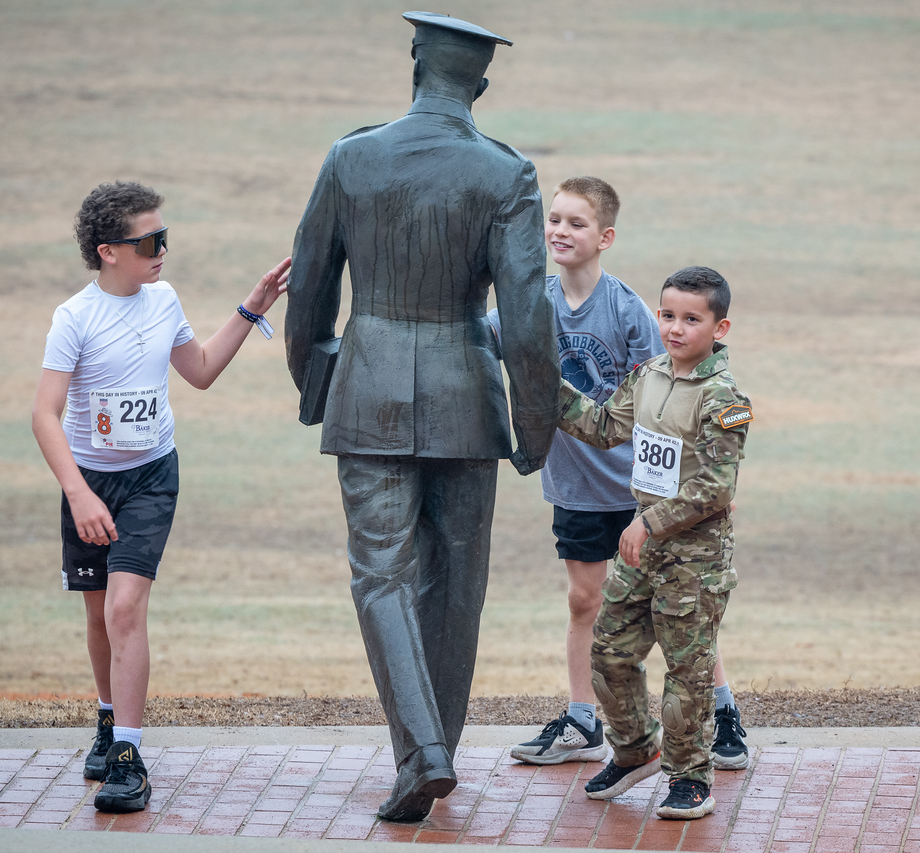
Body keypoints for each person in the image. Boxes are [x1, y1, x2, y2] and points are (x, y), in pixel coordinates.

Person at [283, 12, 560, 823]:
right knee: (457, 582)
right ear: (479, 85)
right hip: (467, 396)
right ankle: (433, 749)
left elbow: (309, 291)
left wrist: (317, 380)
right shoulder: (506, 173)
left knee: (381, 574)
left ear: (414, 66)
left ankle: (423, 753)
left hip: (367, 386)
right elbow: (530, 315)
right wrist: (534, 426)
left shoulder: (351, 156)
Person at [32, 181, 290, 813]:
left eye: (163, 237)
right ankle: (106, 716)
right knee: (98, 616)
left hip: (152, 476)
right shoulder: (74, 318)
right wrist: (78, 494)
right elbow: (44, 414)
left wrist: (251, 309)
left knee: (125, 611)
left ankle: (127, 755)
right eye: (148, 240)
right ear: (108, 251)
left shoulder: (163, 299)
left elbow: (199, 370)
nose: (161, 250)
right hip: (89, 484)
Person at [490, 178, 749, 771]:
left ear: (605, 237)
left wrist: (691, 498)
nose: (560, 231)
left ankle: (719, 717)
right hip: (575, 483)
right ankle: (590, 723)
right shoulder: (531, 303)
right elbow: (481, 343)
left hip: (646, 494)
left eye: (576, 222)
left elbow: (668, 413)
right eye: (553, 219)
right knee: (590, 604)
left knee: (678, 614)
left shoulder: (634, 313)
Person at [556, 266, 752, 820]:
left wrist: (648, 522)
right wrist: (545, 384)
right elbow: (600, 427)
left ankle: (691, 778)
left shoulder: (724, 397)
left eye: (692, 319)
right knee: (611, 652)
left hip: (695, 558)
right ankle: (638, 748)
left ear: (720, 327)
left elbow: (717, 488)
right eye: (667, 315)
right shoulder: (647, 377)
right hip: (643, 551)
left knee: (687, 673)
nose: (675, 328)